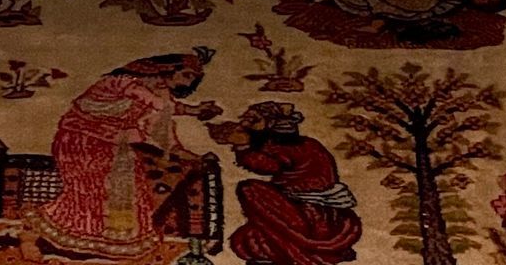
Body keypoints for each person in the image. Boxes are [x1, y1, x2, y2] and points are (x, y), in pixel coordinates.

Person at [35, 49, 217, 261]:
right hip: (82, 141)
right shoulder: (122, 81)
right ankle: (75, 241)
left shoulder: (161, 93)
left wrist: (180, 151)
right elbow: (154, 103)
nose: (187, 83)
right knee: (93, 191)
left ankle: (114, 243)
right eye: (186, 75)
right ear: (168, 68)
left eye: (192, 79)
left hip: (116, 145)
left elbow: (161, 126)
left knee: (131, 190)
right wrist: (192, 110)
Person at [212, 103, 361, 265]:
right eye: (245, 119)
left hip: (307, 209)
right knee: (248, 239)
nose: (244, 124)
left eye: (253, 120)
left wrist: (243, 146)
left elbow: (270, 166)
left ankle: (296, 253)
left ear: (271, 123)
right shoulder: (305, 143)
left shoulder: (284, 146)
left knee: (249, 189)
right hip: (307, 206)